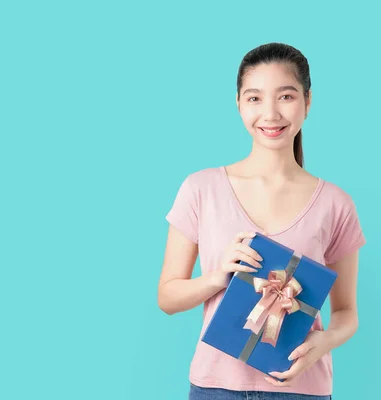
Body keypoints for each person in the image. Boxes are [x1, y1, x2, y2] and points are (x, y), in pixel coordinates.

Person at [157, 42, 366, 400]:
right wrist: (217, 278)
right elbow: (167, 297)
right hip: (214, 388)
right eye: (254, 98)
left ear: (307, 102)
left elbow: (347, 312)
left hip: (301, 389)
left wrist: (323, 341)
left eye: (286, 96)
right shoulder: (200, 189)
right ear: (238, 104)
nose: (270, 113)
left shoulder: (336, 203)